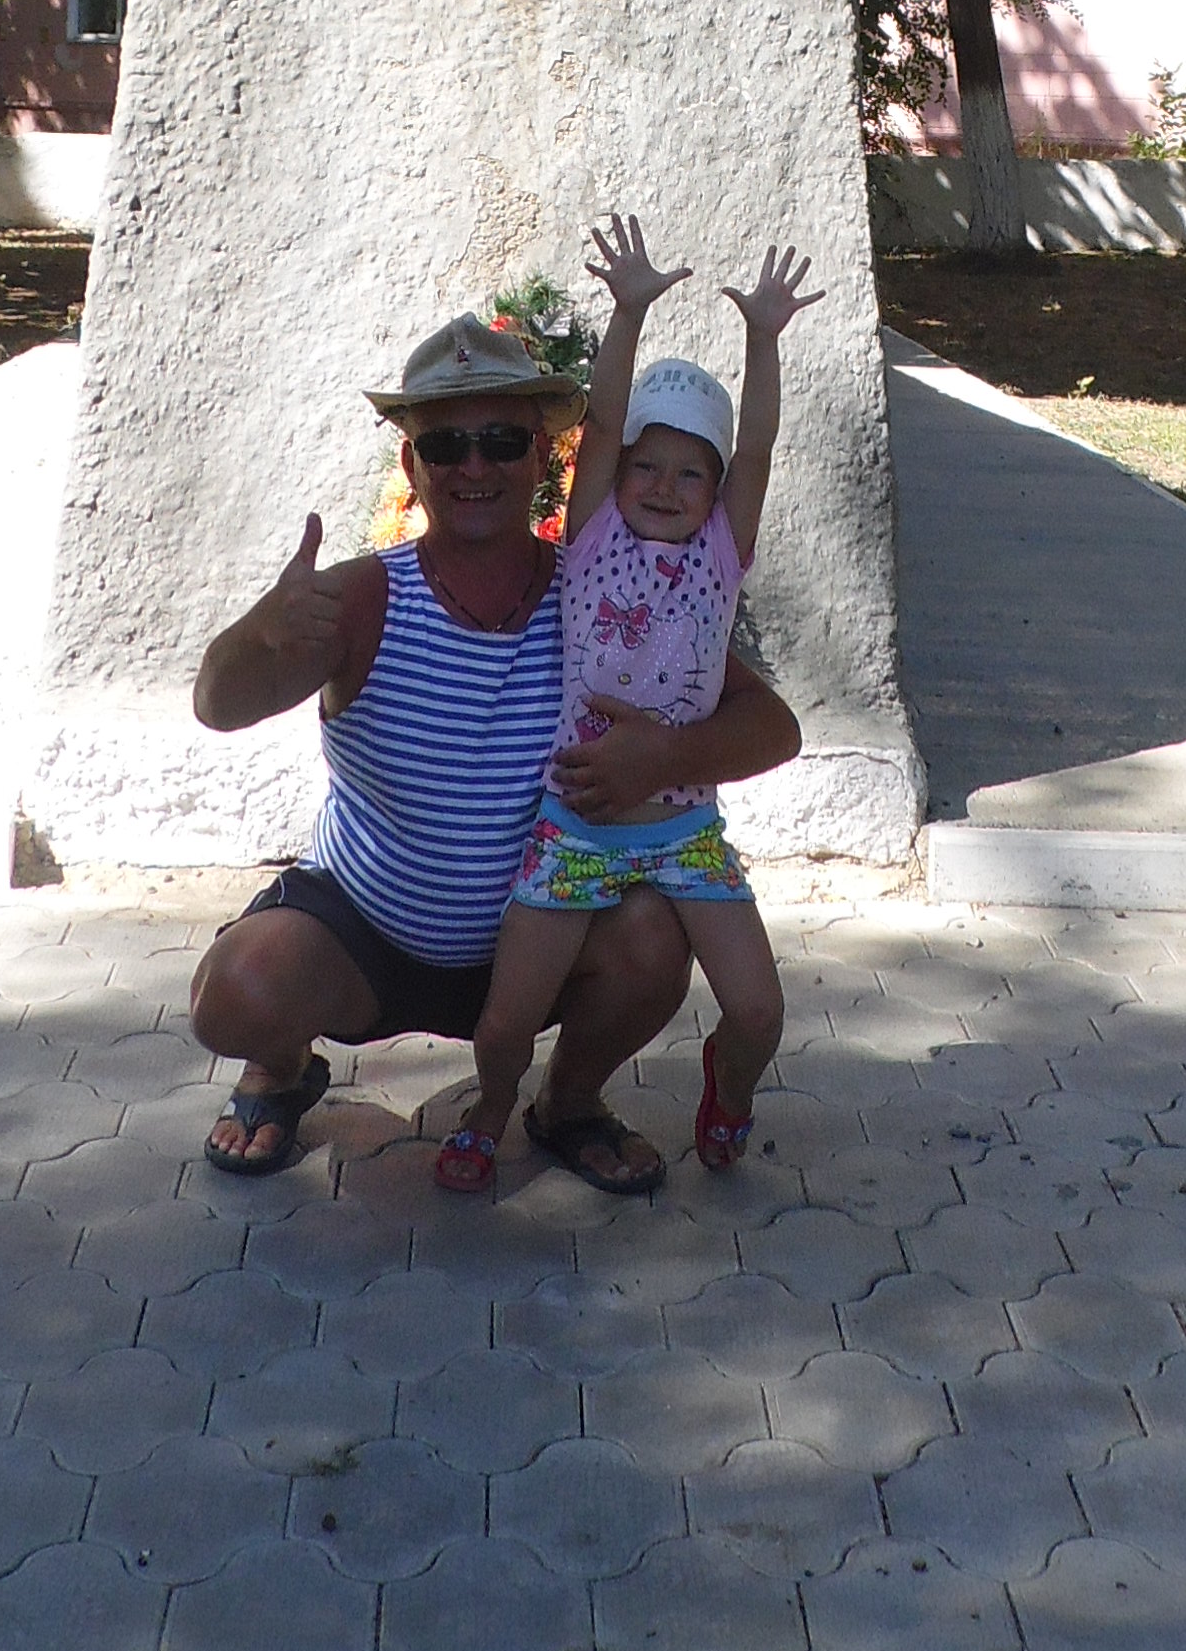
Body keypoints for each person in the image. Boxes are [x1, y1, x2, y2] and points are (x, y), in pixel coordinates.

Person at [184, 307, 802, 1193]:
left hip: (542, 939)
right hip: (365, 937)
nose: (474, 467)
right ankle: (281, 1069)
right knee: (235, 993)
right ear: (412, 466)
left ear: (544, 459)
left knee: (653, 942)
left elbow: (773, 726)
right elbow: (218, 705)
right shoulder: (364, 597)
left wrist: (664, 758)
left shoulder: (605, 595)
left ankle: (569, 1102)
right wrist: (260, 635)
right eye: (446, 446)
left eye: (503, 442)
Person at [436, 219, 813, 1195]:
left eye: (691, 473)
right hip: (575, 832)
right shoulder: (593, 539)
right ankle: (490, 1108)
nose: (663, 485)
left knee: (761, 1012)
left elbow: (759, 448)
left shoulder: (721, 557)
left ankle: (728, 1095)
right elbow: (601, 424)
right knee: (507, 1022)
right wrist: (628, 311)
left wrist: (763, 338)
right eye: (647, 465)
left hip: (685, 834)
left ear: (715, 494)